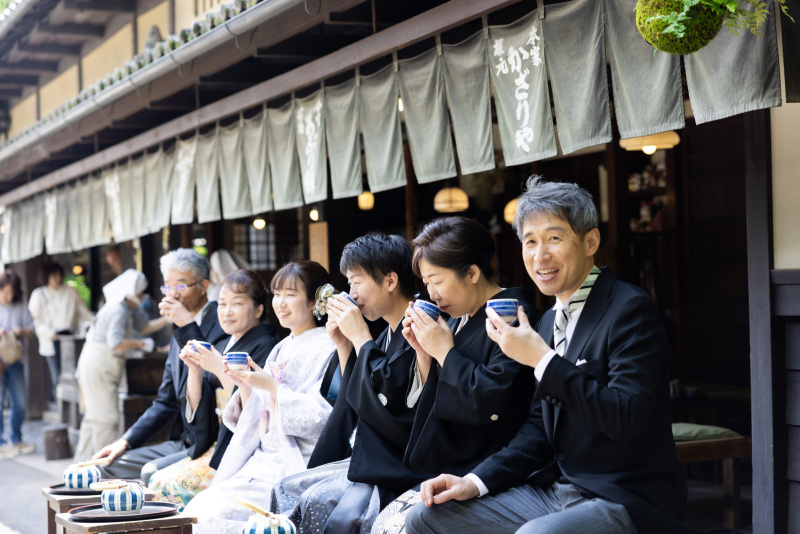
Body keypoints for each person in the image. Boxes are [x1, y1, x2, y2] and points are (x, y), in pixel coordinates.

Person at [405, 177, 692, 534]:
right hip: (556, 491)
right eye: (530, 241)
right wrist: (475, 481)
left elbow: (627, 418)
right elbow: (539, 429)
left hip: (624, 495)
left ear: (590, 242)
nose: (540, 255)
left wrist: (543, 360)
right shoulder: (546, 322)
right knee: (424, 518)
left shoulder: (629, 309)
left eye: (554, 238)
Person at [368, 216, 540, 533]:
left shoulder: (512, 315)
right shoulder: (457, 318)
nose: (432, 293)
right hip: (452, 465)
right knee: (382, 523)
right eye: (426, 283)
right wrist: (425, 353)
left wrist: (445, 352)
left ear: (472, 273)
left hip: (489, 468)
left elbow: (494, 399)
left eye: (437, 280)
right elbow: (436, 392)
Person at [272, 233, 423, 532]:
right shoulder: (386, 333)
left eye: (356, 282)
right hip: (373, 455)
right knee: (285, 487)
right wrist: (345, 346)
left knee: (314, 498)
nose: (351, 293)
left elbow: (387, 404)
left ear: (390, 281)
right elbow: (355, 399)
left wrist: (360, 337)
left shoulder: (419, 327)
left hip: (399, 462)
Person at [182, 260, 335, 533]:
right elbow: (259, 415)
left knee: (211, 514)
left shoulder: (330, 347)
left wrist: (273, 388)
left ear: (314, 301)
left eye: (291, 294)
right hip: (263, 458)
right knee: (197, 509)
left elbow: (322, 419)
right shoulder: (280, 348)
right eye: (277, 294)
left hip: (293, 461)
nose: (281, 303)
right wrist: (244, 385)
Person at [92, 248, 226, 483]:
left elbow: (212, 375)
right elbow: (165, 401)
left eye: (181, 285)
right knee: (105, 468)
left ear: (203, 286)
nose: (173, 294)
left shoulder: (222, 320)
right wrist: (126, 440)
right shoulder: (179, 330)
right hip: (181, 442)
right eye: (167, 287)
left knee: (150, 473)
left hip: (210, 443)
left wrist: (186, 324)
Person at [147, 269, 278, 507]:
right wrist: (195, 370)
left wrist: (218, 368)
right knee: (155, 478)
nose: (227, 311)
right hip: (217, 443)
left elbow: (254, 406)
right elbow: (203, 406)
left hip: (241, 449)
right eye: (223, 303)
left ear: (259, 310)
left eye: (237, 303)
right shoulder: (226, 343)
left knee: (165, 484)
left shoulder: (266, 345)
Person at [74, 270, 169, 461]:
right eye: (139, 292)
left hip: (97, 364)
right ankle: (101, 466)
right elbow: (115, 342)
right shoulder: (118, 309)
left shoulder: (127, 309)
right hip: (98, 365)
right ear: (130, 292)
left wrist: (168, 318)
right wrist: (141, 343)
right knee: (105, 419)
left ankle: (81, 464)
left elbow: (144, 327)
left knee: (93, 419)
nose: (142, 296)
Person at [28, 261, 93, 402]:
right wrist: (51, 333)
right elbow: (34, 320)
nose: (57, 279)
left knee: (74, 375)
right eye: (53, 276)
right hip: (51, 340)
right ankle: (60, 407)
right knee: (58, 377)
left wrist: (95, 321)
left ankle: (75, 406)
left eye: (58, 275)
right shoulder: (39, 294)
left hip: (70, 338)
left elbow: (83, 313)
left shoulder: (70, 291)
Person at [0, 270, 35, 459]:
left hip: (15, 359)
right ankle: (1, 443)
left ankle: (17, 438)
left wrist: (20, 331)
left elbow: (32, 330)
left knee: (19, 402)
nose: (7, 296)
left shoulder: (21, 304)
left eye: (10, 292)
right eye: (3, 292)